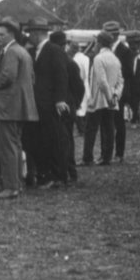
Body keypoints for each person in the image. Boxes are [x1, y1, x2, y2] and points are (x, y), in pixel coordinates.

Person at [0, 17, 37, 200]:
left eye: (1, 34)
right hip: (20, 106)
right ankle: (16, 184)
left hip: (9, 106)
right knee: (15, 145)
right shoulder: (22, 51)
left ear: (12, 34)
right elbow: (31, 78)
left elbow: (7, 76)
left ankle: (10, 187)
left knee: (8, 147)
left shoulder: (11, 52)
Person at [24, 17, 70, 188]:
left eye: (31, 33)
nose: (29, 37)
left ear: (37, 34)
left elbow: (61, 76)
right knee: (42, 140)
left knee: (54, 140)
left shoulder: (53, 50)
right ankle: (48, 175)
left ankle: (58, 176)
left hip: (50, 104)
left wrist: (60, 99)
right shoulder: (36, 51)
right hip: (40, 104)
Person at [82, 31, 122, 166]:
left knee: (91, 129)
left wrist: (109, 97)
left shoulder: (99, 58)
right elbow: (120, 81)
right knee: (108, 128)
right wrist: (115, 95)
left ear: (99, 43)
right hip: (111, 100)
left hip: (99, 99)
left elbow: (101, 81)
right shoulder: (115, 59)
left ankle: (88, 157)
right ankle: (107, 157)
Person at [54, 31, 85, 185]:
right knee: (68, 141)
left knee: (64, 141)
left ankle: (66, 173)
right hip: (69, 107)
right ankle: (70, 172)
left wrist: (74, 103)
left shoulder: (67, 63)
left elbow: (79, 88)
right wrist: (75, 103)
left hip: (64, 107)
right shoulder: (70, 63)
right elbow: (79, 88)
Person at [103, 21, 134, 163]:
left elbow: (128, 72)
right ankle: (106, 153)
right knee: (106, 123)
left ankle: (119, 153)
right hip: (106, 91)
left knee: (118, 123)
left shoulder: (125, 51)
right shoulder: (104, 50)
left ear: (113, 35)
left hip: (118, 92)